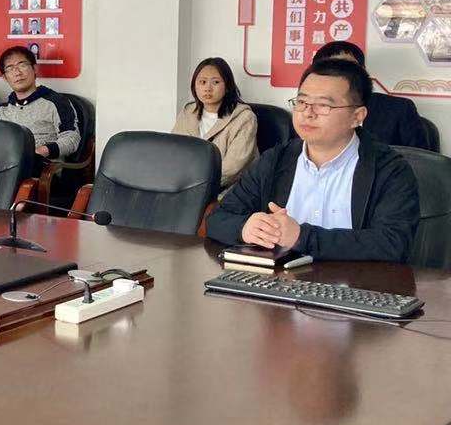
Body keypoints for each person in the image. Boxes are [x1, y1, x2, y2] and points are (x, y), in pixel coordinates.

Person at [206, 59, 419, 262]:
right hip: (279, 282)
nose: (308, 113)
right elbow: (218, 218)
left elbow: (393, 243)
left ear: (357, 116)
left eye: (323, 105)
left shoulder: (389, 169)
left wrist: (302, 237)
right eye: (302, 102)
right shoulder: (276, 160)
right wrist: (245, 228)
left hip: (356, 284)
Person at [312, 41, 426, 149]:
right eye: (330, 70)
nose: (339, 75)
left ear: (363, 72)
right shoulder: (308, 112)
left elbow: (420, 159)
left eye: (347, 67)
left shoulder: (399, 109)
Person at [170, 57, 258, 188]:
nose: (208, 88)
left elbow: (232, 168)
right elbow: (173, 152)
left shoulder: (244, 118)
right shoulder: (187, 112)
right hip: (187, 187)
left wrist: (197, 186)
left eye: (215, 82)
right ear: (194, 86)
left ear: (227, 86)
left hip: (228, 189)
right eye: (202, 82)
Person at [0, 46, 80, 160]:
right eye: (10, 68)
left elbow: (72, 138)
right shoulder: (1, 111)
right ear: (5, 77)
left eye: (22, 65)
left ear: (34, 69)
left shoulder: (56, 102)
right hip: (6, 166)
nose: (17, 73)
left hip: (42, 166)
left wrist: (40, 152)